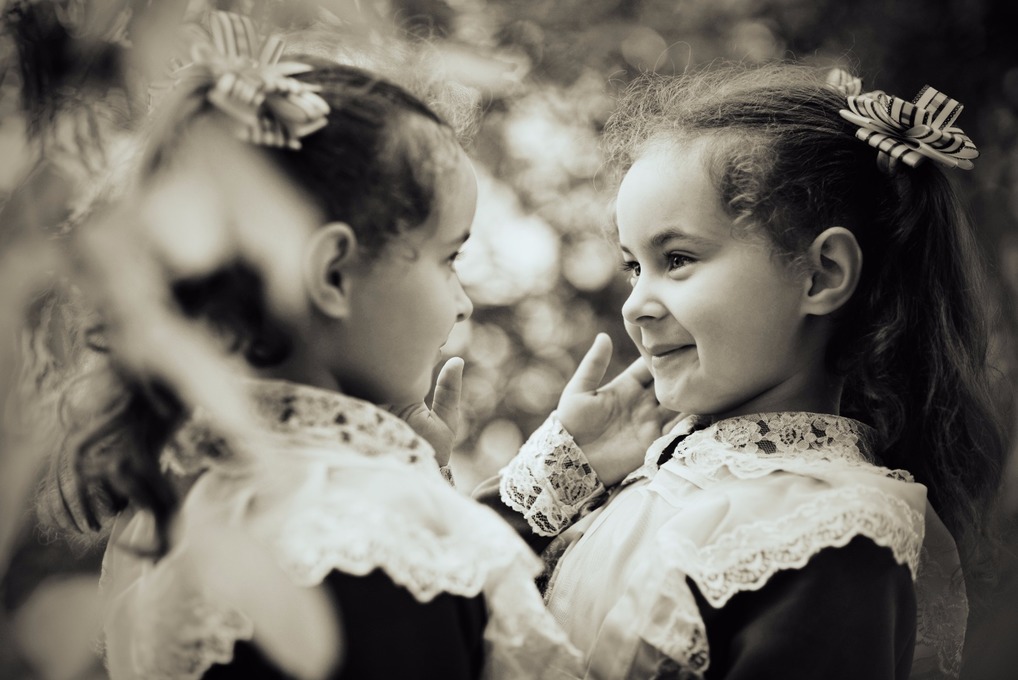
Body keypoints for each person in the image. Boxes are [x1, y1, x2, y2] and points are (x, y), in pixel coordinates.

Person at [37, 10, 581, 680]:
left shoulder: (180, 505)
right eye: (448, 258)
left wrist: (415, 467)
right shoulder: (368, 539)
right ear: (332, 275)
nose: (462, 302)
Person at [481, 62, 1007, 679]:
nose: (634, 305)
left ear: (822, 274)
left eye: (677, 258)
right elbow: (436, 607)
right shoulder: (647, 482)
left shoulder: (833, 530)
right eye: (633, 267)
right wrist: (566, 470)